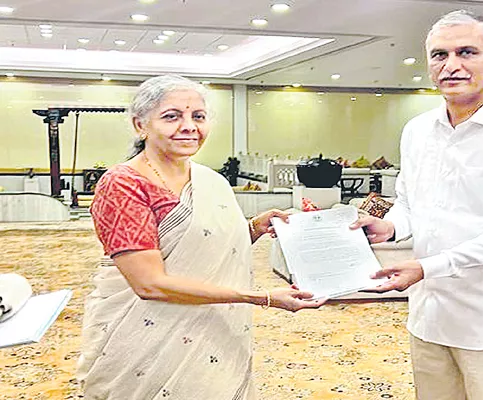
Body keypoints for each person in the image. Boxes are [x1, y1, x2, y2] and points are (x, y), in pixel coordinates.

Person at [351, 10, 483, 400]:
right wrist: (391, 227)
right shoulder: (417, 131)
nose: (451, 65)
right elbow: (410, 202)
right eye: (439, 55)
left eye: (466, 52)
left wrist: (427, 267)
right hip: (431, 313)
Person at [77, 74, 324, 399]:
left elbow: (209, 245)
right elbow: (149, 283)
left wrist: (255, 228)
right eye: (172, 116)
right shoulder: (124, 184)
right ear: (140, 125)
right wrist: (260, 298)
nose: (189, 126)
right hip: (144, 340)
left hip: (214, 330)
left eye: (198, 116)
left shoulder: (211, 181)